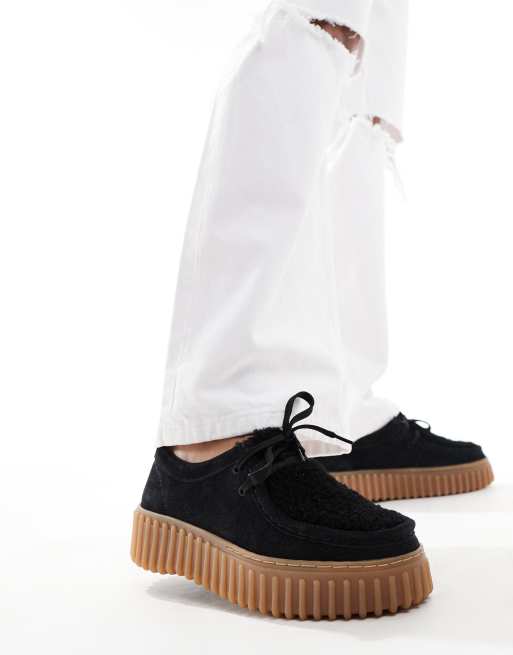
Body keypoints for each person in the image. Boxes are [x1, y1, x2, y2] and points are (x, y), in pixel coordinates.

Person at [130, 0, 493, 619]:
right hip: (216, 439)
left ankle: (338, 410)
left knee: (366, 74)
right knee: (316, 16)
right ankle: (218, 428)